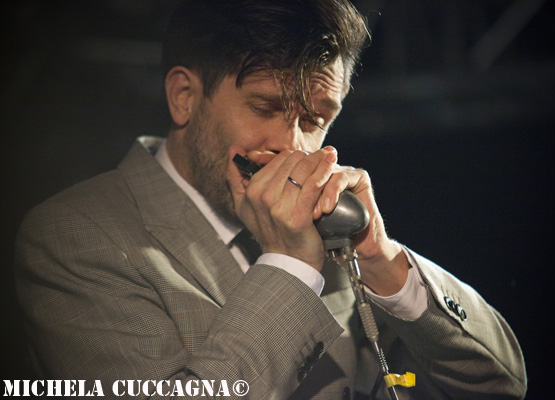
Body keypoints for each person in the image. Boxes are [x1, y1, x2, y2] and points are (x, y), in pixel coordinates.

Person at [14, 0, 527, 399]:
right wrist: (289, 265)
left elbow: (500, 386)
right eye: (264, 107)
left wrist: (382, 261)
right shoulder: (73, 238)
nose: (294, 147)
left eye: (315, 120)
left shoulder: (335, 239)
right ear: (184, 97)